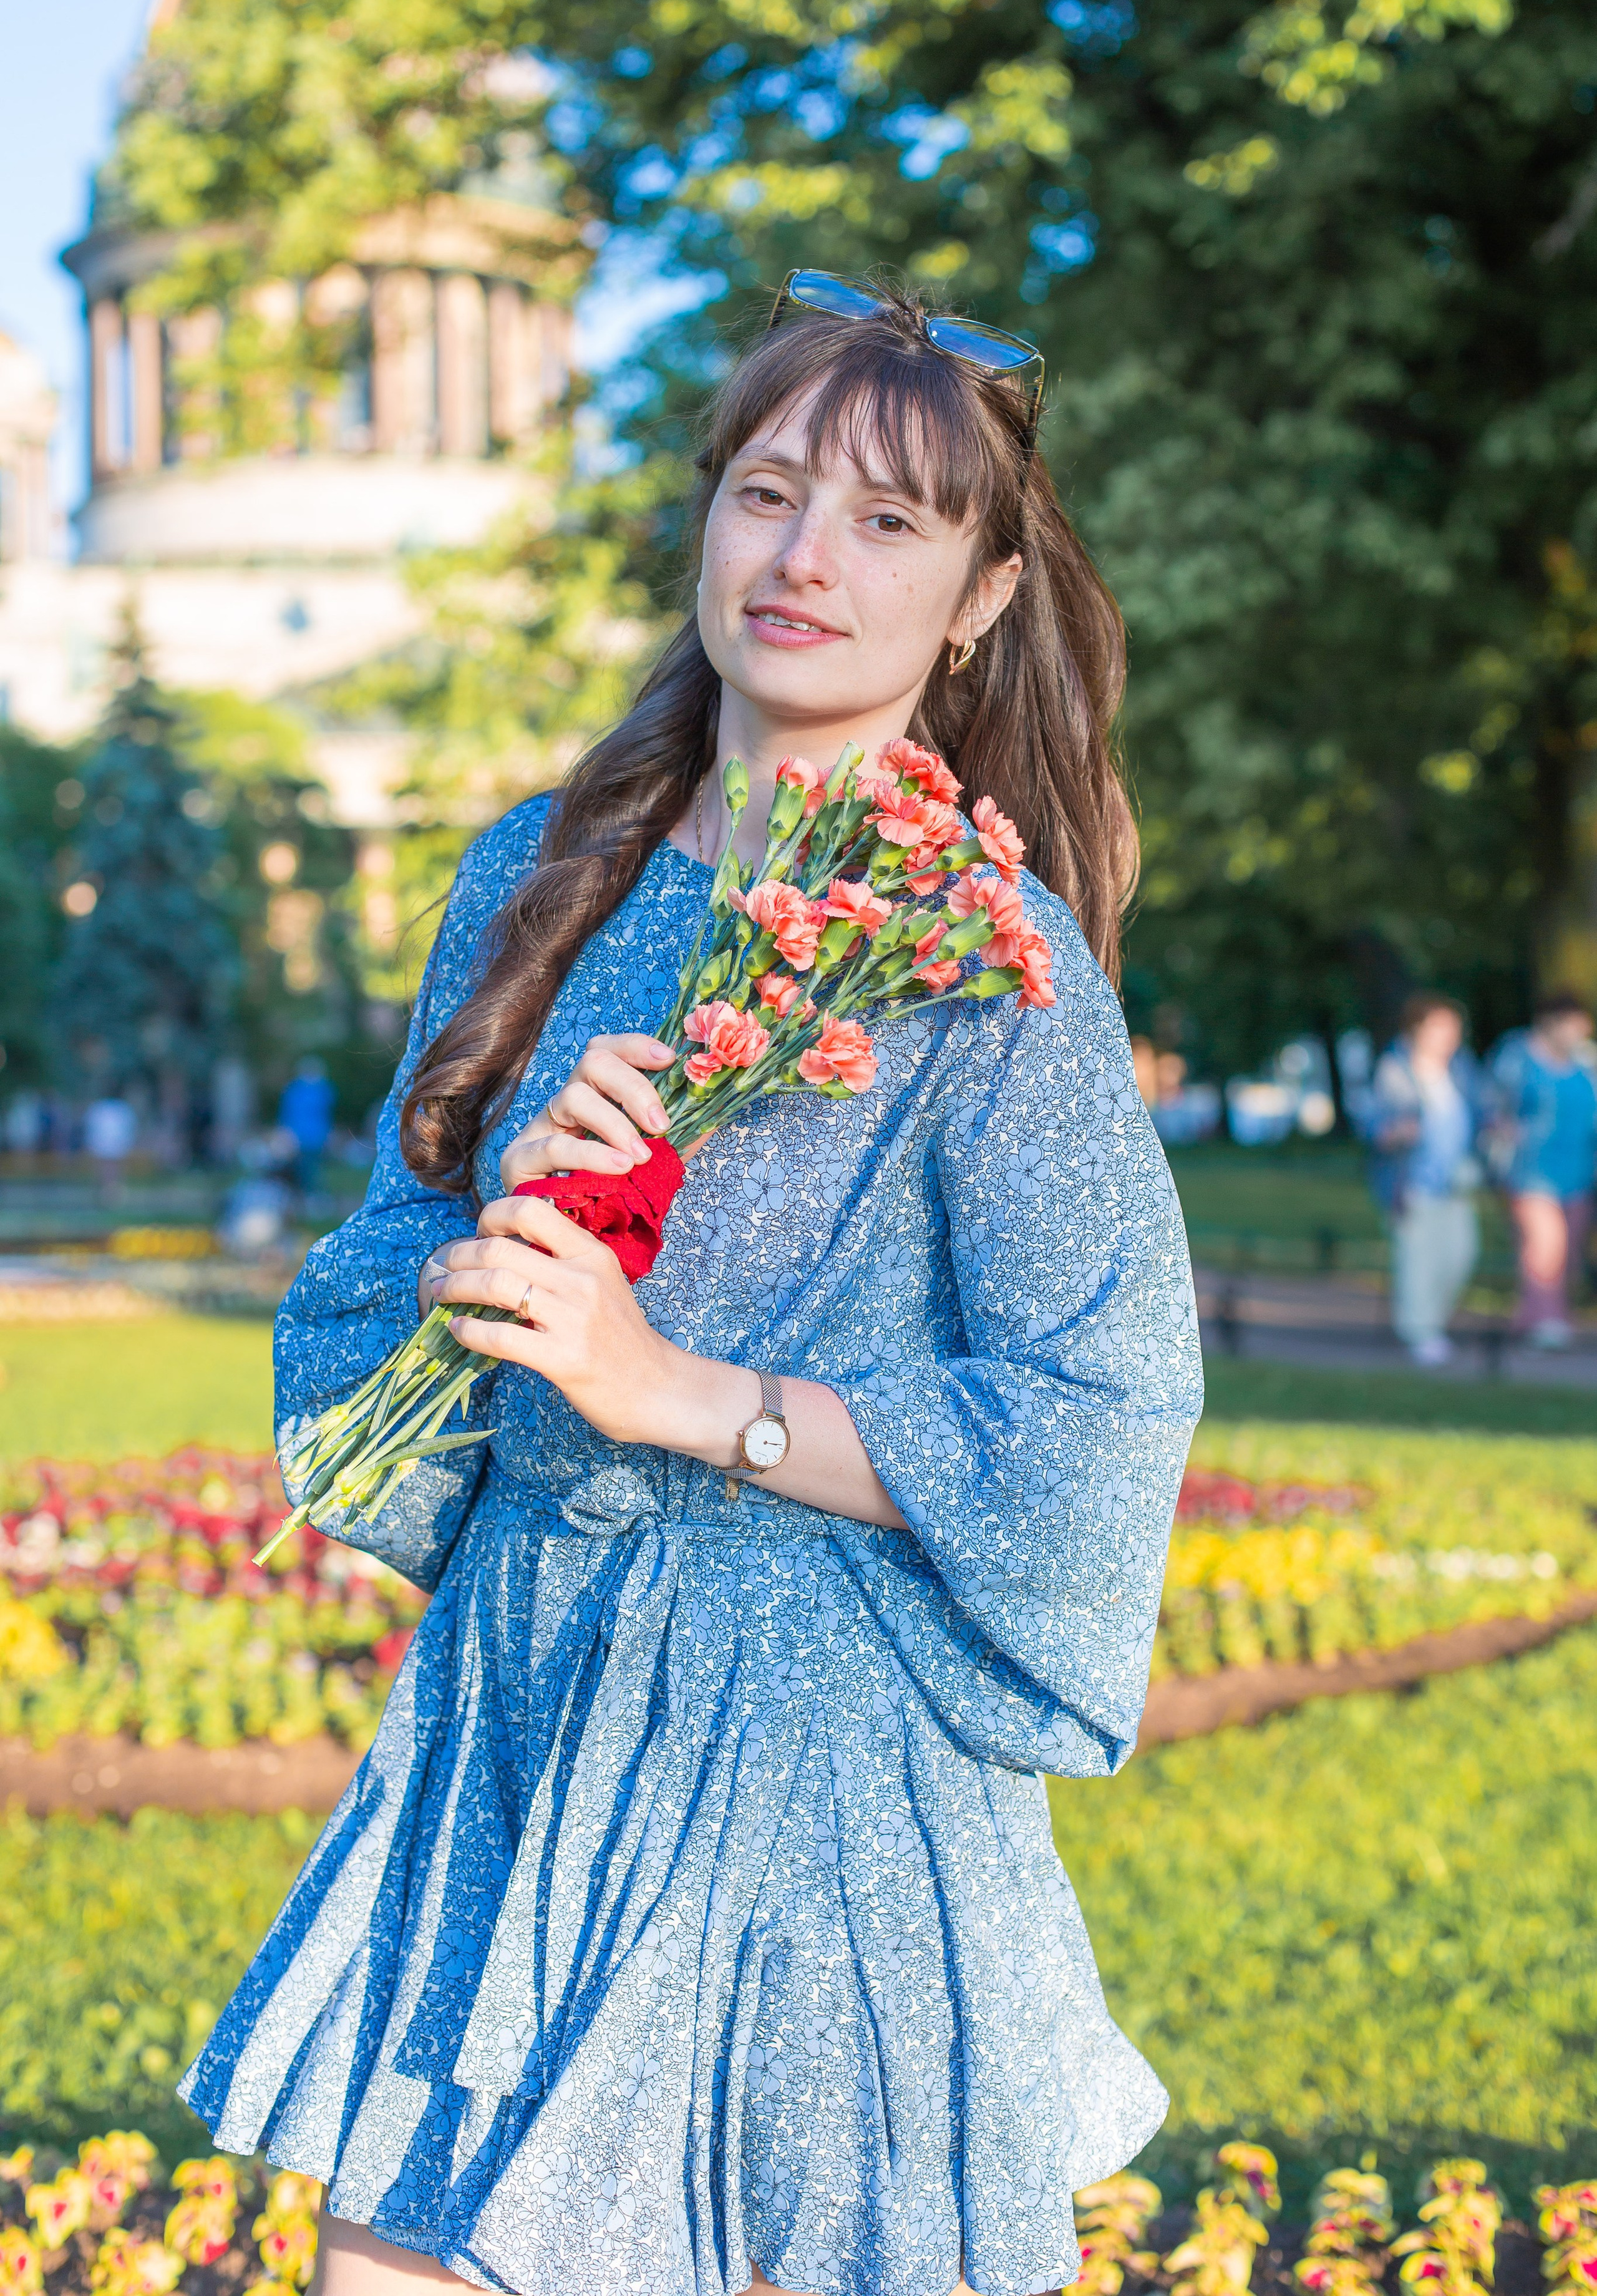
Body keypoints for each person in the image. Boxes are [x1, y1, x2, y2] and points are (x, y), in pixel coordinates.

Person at [178, 275, 1203, 2296]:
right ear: (705, 522)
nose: (805, 555)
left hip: (807, 1772)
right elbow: (376, 1276)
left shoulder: (989, 967)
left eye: (890, 519)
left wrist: (676, 1391)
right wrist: (487, 1263)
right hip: (525, 1699)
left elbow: (1102, 1420)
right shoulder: (529, 881)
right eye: (766, 491)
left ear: (981, 594)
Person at [1369, 993, 1483, 1366]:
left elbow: (1480, 1113)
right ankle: (1420, 1331)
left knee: (1460, 1255)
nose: (1450, 1035)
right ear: (1418, 1028)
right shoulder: (1396, 1068)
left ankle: (1432, 1324)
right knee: (1418, 1259)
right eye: (1441, 1027)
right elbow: (1374, 1125)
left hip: (1457, 1184)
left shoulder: (1461, 1068)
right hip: (1412, 1184)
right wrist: (1395, 1132)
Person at [1488, 993, 1597, 1348]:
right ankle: (1547, 1323)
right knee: (1545, 1246)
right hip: (1530, 1171)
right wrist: (1500, 1128)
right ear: (1551, 1022)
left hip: (1578, 1172)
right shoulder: (1518, 1057)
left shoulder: (1585, 1062)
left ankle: (1537, 1316)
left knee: (1569, 1255)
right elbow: (1491, 1103)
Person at [278, 1056, 336, 1196]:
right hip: (303, 1135)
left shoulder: (321, 1089)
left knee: (311, 1165)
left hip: (313, 1135)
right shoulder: (300, 1089)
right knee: (305, 1166)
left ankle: (310, 1192)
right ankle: (309, 1192)